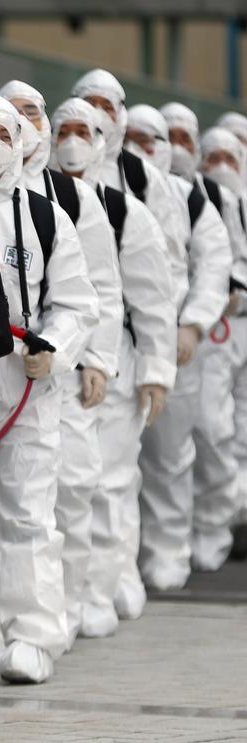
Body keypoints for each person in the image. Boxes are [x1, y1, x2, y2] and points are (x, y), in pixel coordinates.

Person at [0, 94, 98, 684]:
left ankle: (33, 636)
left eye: (1, 133)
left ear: (20, 143)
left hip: (26, 387)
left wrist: (54, 349)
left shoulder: (43, 217)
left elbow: (77, 301)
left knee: (28, 514)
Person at [0, 80, 123, 649]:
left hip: (60, 370)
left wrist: (93, 358)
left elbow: (102, 285)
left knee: (72, 485)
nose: (21, 125)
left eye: (32, 113)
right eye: (10, 115)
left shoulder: (70, 198)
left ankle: (74, 597)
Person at [49, 98, 177, 636]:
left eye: (86, 130)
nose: (74, 141)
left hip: (114, 358)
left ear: (104, 139)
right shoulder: (33, 200)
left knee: (109, 480)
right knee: (57, 486)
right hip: (50, 359)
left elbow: (152, 297)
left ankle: (102, 586)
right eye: (65, 130)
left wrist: (155, 370)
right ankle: (61, 593)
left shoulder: (126, 213)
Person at [126, 105, 231, 592]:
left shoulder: (189, 200)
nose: (142, 149)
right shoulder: (93, 195)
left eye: (153, 141)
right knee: (113, 461)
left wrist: (191, 325)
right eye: (134, 137)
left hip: (174, 345)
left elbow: (213, 263)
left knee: (169, 454)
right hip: (116, 345)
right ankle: (122, 558)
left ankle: (168, 549)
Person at [176, 122, 247, 568]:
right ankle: (210, 527)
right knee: (209, 427)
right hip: (208, 331)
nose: (219, 167)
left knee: (231, 429)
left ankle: (223, 523)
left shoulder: (235, 205)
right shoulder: (193, 199)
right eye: (212, 157)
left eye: (230, 158)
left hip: (231, 327)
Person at [72, 70, 189, 294]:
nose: (97, 113)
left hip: (125, 315)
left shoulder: (142, 176)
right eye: (89, 103)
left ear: (120, 115)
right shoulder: (49, 165)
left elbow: (169, 255)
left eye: (106, 106)